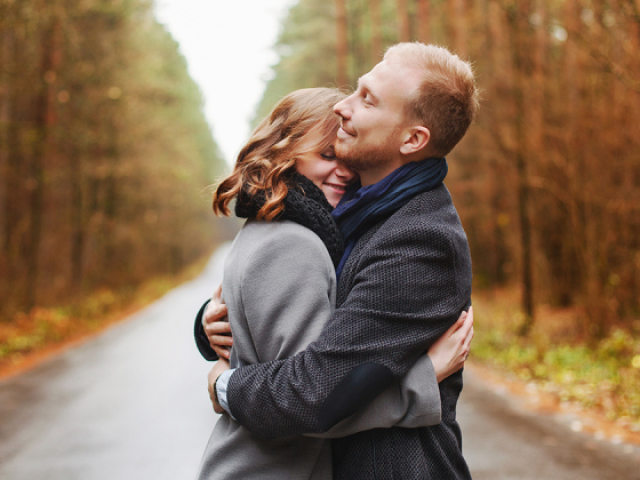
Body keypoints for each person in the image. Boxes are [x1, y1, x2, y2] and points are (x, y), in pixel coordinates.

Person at [194, 86, 473, 480]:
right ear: (282, 152)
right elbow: (310, 402)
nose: (343, 171)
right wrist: (421, 382)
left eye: (346, 159)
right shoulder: (295, 243)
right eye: (326, 156)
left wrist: (206, 327)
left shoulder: (277, 228)